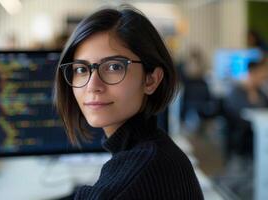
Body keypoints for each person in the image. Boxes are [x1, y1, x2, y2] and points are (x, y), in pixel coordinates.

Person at [53, 5, 204, 200]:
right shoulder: (157, 152)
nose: (92, 85)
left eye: (114, 67)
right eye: (81, 69)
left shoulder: (136, 177)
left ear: (151, 79)